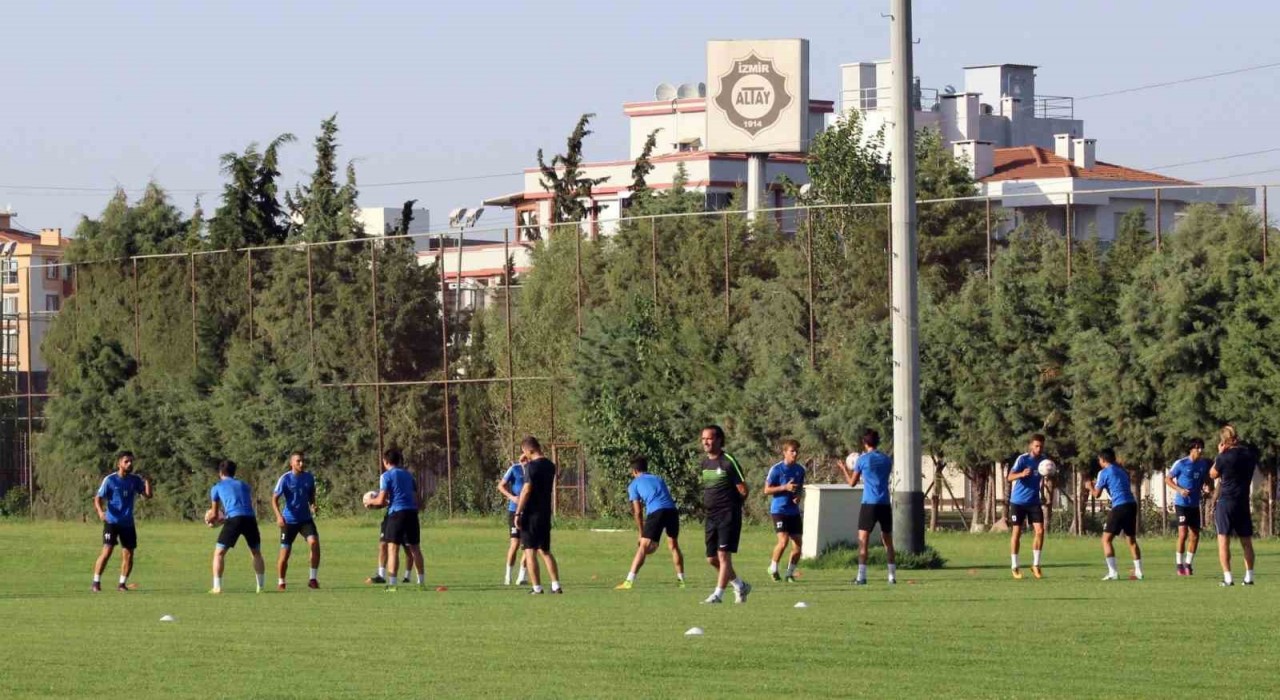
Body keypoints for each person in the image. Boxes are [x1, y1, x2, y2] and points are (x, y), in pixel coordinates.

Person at [835, 429, 896, 585]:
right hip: (884, 503)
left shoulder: (862, 460)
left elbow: (852, 483)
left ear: (864, 443)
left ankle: (861, 577)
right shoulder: (886, 459)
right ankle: (891, 577)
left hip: (869, 503)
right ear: (877, 442)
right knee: (888, 541)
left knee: (863, 540)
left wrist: (843, 468)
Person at [699, 425, 750, 604]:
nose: (706, 441)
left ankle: (718, 595)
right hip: (711, 515)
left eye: (709, 438)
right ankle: (739, 584)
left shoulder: (728, 461)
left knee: (723, 555)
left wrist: (733, 506)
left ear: (719, 440)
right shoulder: (705, 463)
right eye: (703, 438)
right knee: (711, 558)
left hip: (728, 515)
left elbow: (743, 489)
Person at [615, 455, 684, 589]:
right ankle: (681, 581)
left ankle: (628, 581)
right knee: (673, 546)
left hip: (656, 512)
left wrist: (641, 533)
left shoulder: (634, 484)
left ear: (634, 471)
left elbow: (638, 512)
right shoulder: (658, 478)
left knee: (643, 546)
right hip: (672, 511)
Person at [91, 451, 152, 592]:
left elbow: (148, 495)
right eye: (126, 461)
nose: (129, 464)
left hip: (128, 523)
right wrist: (101, 512)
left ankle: (122, 584)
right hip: (112, 521)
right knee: (107, 551)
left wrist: (148, 480)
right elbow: (98, 498)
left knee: (129, 554)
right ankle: (96, 582)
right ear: (119, 463)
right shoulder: (110, 480)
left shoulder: (135, 480)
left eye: (131, 461)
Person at [365, 448, 425, 591]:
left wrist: (369, 502)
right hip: (412, 513)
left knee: (393, 548)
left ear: (385, 461)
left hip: (396, 514)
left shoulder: (386, 476)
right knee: (415, 548)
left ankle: (392, 584)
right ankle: (421, 583)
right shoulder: (409, 476)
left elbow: (380, 500)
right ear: (399, 461)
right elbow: (419, 501)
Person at [514, 436, 563, 594]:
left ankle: (537, 588)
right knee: (545, 550)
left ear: (529, 450)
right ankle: (556, 585)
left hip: (531, 513)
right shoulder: (550, 465)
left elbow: (527, 489)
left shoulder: (531, 467)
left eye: (524, 452)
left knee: (530, 551)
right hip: (545, 513)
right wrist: (525, 465)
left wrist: (518, 512)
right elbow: (537, 474)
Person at [208, 460, 265, 594]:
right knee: (256, 553)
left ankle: (217, 587)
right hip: (250, 519)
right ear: (234, 472)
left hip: (234, 519)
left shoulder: (217, 487)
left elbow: (215, 514)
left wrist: (209, 520)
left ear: (220, 472)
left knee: (219, 553)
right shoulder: (244, 485)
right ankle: (260, 587)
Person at [1210, 425, 1257, 586]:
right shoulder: (1249, 455)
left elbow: (1212, 474)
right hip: (1243, 502)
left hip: (1226, 502)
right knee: (1246, 541)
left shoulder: (1224, 457)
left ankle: (1228, 578)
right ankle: (1249, 577)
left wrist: (1219, 454)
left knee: (1223, 539)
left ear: (1224, 441)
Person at [1087, 449, 1143, 581]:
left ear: (1102, 460)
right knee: (1131, 540)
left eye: (1099, 460)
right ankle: (1139, 572)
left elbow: (1097, 494)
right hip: (1131, 504)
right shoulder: (1122, 471)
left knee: (1106, 540)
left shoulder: (1103, 472)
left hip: (1119, 506)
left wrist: (1089, 487)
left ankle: (1113, 572)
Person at [271, 451, 320, 591]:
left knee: (314, 543)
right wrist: (279, 516)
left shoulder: (309, 477)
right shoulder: (285, 479)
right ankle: (281, 582)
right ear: (291, 463)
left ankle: (313, 579)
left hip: (305, 520)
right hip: (289, 521)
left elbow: (311, 493)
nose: (301, 463)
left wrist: (312, 505)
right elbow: (274, 499)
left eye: (303, 461)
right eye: (298, 461)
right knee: (285, 553)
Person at [1165, 439, 1212, 576]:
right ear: (1191, 449)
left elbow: (1207, 480)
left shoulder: (1203, 464)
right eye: (1197, 448)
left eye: (1201, 448)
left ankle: (1188, 564)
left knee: (1195, 535)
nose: (1200, 450)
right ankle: (1179, 564)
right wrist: (1179, 490)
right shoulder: (1181, 463)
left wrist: (1208, 487)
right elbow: (1168, 479)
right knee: (1183, 533)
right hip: (1181, 504)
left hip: (1194, 504)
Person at [1007, 434, 1049, 580]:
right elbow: (1009, 477)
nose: (1039, 448)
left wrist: (1044, 490)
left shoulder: (1044, 461)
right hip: (1017, 502)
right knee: (1017, 532)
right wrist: (1021, 474)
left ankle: (1036, 565)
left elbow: (1045, 477)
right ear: (1031, 446)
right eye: (1036, 446)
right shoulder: (1023, 459)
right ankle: (1014, 566)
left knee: (1040, 531)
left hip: (1034, 502)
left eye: (1041, 446)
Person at [764, 439, 805, 583]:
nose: (795, 453)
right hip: (779, 510)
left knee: (798, 546)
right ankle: (773, 567)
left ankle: (789, 573)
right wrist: (784, 488)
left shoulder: (800, 470)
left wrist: (798, 497)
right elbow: (766, 490)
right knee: (783, 541)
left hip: (793, 511)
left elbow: (799, 488)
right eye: (792, 451)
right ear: (785, 452)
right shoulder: (776, 469)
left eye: (797, 451)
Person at [498, 455, 529, 586]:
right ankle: (508, 575)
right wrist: (512, 497)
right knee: (515, 544)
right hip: (514, 511)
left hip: (530, 512)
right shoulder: (514, 469)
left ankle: (522, 576)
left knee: (529, 546)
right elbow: (501, 486)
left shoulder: (534, 471)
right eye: (525, 460)